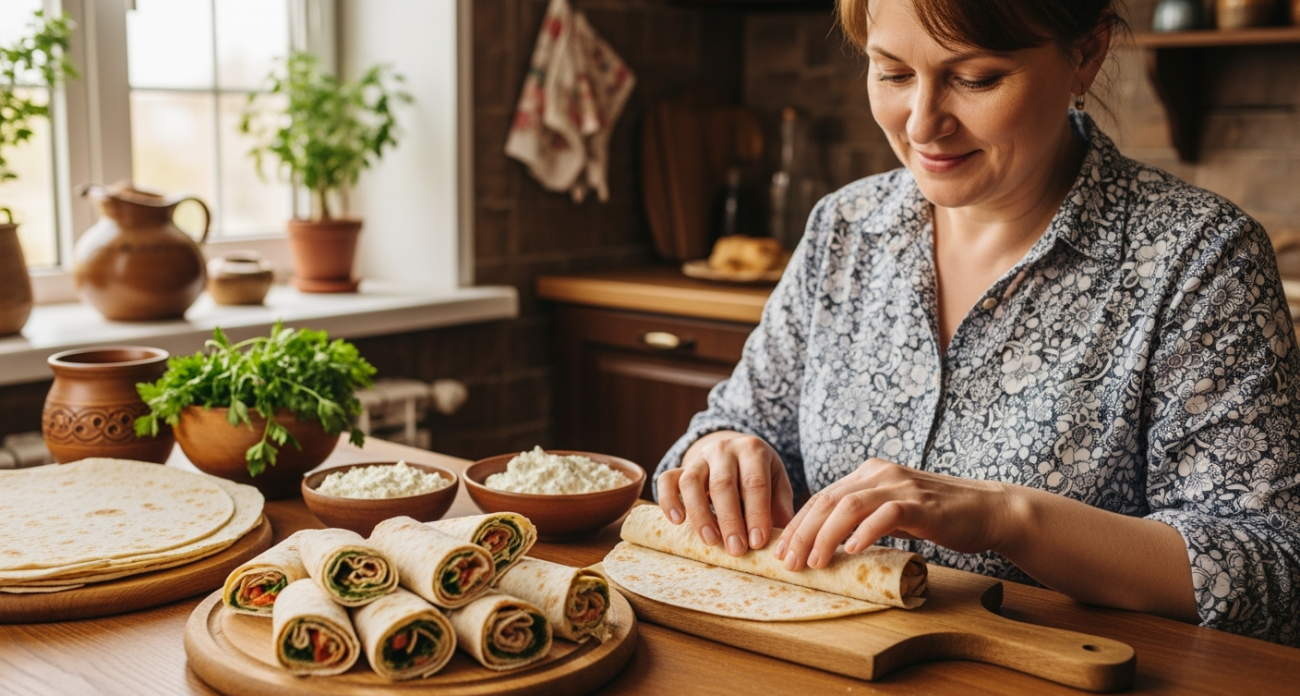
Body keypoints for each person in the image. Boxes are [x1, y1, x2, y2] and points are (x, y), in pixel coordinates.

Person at [653, 0, 1300, 646]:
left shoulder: (1201, 258)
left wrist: (1008, 518)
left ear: (1086, 53)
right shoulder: (843, 227)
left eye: (975, 79)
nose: (922, 123)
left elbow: (1271, 572)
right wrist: (721, 453)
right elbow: (732, 428)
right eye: (893, 73)